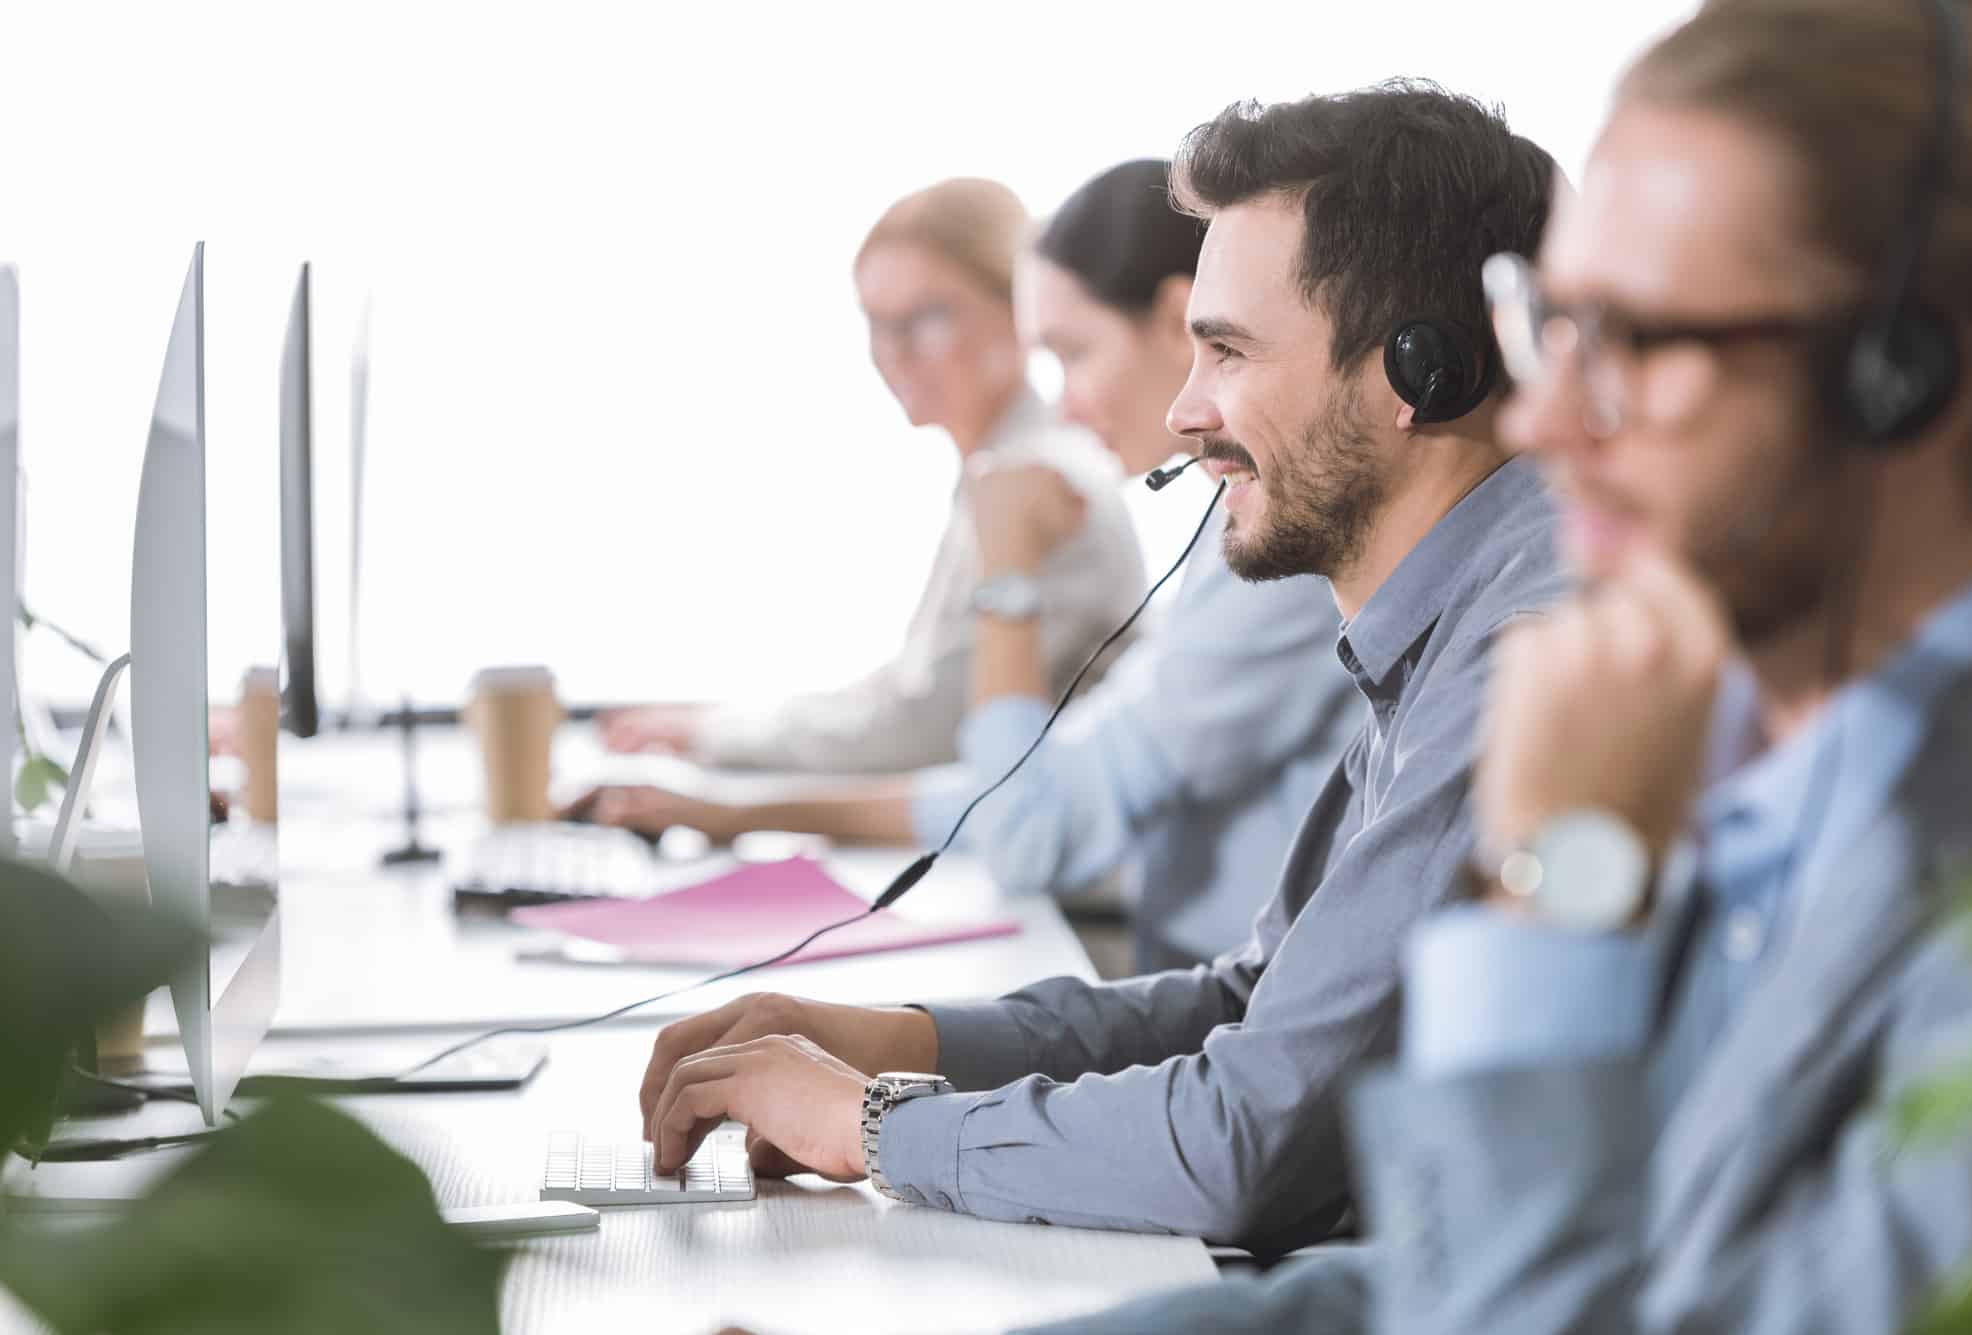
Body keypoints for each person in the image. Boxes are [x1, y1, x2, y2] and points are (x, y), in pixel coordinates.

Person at [1007, 0, 1972, 1330]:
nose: (1537, 416)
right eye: (1552, 327)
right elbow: (1470, 1267)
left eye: (1635, 343)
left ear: (1903, 373)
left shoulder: (1939, 890)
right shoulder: (1762, 766)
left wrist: (1558, 894)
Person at [623, 83, 1567, 1253]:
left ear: (1420, 371)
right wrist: (899, 1041)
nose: (1182, 413)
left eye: (1223, 352)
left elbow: (1242, 1145)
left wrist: (874, 1126)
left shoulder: (1527, 648)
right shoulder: (1435, 618)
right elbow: (1246, 1002)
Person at [573, 159, 1365, 970]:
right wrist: (735, 812)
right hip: (1186, 967)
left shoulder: (1227, 541)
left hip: (1209, 984)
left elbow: (1003, 803)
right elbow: (998, 790)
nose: (892, 357)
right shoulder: (1214, 535)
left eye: (1073, 353)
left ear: (1180, 322)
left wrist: (1010, 577)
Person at [598, 177, 1144, 773]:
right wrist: (708, 727)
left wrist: (715, 746)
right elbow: (905, 688)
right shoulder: (994, 472)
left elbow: (928, 729)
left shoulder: (1046, 483)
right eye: (875, 321)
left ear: (1020, 310)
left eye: (927, 317)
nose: (892, 352)